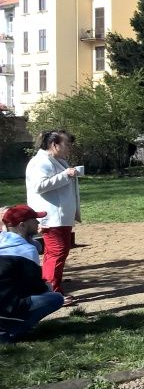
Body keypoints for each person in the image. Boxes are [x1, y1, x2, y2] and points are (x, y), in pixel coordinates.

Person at [25, 129, 81, 305]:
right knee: (57, 252)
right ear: (54, 144)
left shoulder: (58, 160)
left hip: (60, 217)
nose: (69, 147)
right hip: (51, 217)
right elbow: (38, 186)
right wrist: (65, 175)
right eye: (67, 144)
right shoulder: (40, 162)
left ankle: (49, 289)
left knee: (55, 253)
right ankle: (53, 293)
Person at [0, 205, 65, 343]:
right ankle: (12, 330)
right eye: (34, 219)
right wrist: (47, 287)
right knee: (56, 297)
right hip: (6, 307)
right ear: (22, 226)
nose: (37, 222)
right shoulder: (26, 250)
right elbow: (34, 287)